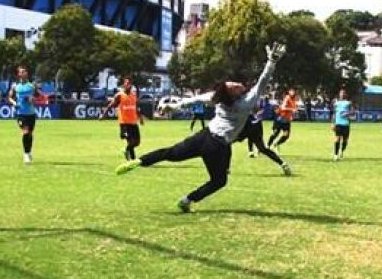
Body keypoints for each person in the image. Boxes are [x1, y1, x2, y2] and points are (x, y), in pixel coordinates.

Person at [115, 43, 287, 212]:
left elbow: (196, 99)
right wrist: (271, 62)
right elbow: (263, 81)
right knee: (219, 181)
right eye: (233, 86)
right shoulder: (246, 103)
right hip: (217, 146)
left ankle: (139, 161)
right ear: (233, 94)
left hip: (204, 136)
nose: (236, 84)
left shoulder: (219, 98)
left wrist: (175, 106)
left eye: (234, 84)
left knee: (171, 153)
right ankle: (187, 200)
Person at [100, 78, 144, 161]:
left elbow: (136, 108)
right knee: (130, 140)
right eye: (127, 83)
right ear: (124, 85)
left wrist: (140, 117)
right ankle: (132, 159)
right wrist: (104, 115)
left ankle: (127, 150)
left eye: (130, 83)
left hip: (133, 122)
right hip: (124, 122)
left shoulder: (133, 95)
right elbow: (110, 105)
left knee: (137, 142)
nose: (128, 85)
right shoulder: (119, 95)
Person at [239, 107, 292, 175]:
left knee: (225, 143)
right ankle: (283, 164)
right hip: (255, 123)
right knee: (262, 149)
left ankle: (226, 168)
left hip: (246, 123)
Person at [7, 65, 40, 164]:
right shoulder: (15, 86)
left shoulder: (32, 85)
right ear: (19, 74)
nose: (24, 73)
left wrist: (32, 99)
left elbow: (37, 96)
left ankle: (29, 152)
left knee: (29, 134)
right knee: (25, 132)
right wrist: (14, 103)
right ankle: (26, 155)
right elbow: (9, 97)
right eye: (22, 72)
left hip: (31, 113)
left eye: (25, 71)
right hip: (20, 113)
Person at [267, 88, 298, 153]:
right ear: (289, 92)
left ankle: (275, 144)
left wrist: (292, 114)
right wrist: (292, 109)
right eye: (291, 91)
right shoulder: (287, 98)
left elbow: (293, 109)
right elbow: (283, 107)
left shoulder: (294, 100)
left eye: (294, 91)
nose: (293, 92)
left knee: (286, 136)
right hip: (280, 119)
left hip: (287, 120)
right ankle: (267, 146)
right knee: (275, 134)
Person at [331, 89, 353, 161]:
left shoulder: (348, 103)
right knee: (337, 139)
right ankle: (335, 155)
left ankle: (342, 151)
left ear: (346, 94)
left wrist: (347, 113)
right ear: (339, 94)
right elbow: (334, 113)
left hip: (346, 124)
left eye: (344, 93)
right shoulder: (336, 103)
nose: (342, 94)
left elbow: (353, 111)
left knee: (345, 140)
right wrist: (332, 123)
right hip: (338, 123)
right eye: (341, 93)